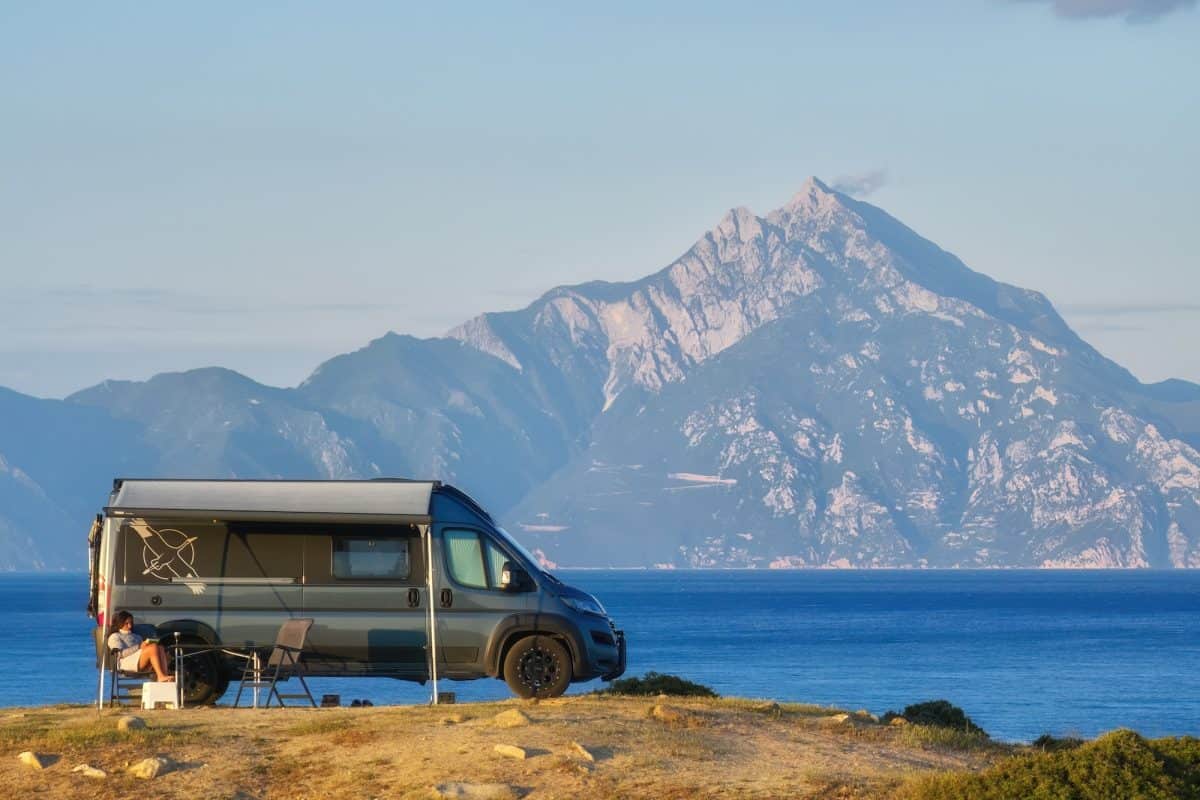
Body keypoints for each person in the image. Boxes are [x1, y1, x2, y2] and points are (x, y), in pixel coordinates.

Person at [107, 610, 174, 682]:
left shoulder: (137, 636)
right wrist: (139, 647)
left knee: (160, 648)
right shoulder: (115, 636)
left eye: (131, 623)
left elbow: (143, 650)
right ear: (120, 623)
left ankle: (164, 675)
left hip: (139, 660)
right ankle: (160, 676)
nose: (130, 626)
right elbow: (120, 654)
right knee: (153, 647)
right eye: (126, 623)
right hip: (124, 662)